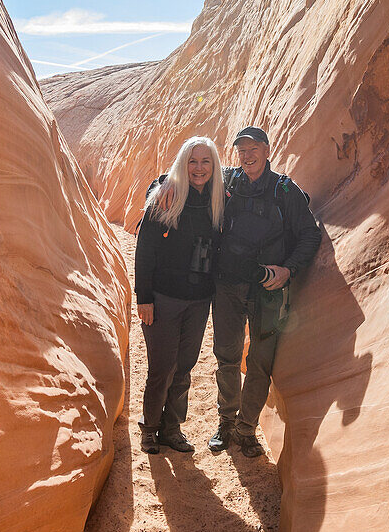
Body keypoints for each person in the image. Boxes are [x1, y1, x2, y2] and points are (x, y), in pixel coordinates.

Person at [152, 126, 322, 458]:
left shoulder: (284, 190)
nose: (247, 156)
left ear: (267, 150)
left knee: (259, 361)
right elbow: (189, 175)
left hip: (267, 291)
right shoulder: (227, 181)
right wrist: (163, 184)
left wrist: (288, 269)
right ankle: (226, 424)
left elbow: (309, 235)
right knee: (227, 357)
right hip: (227, 286)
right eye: (241, 150)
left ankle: (246, 429)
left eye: (253, 149)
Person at [134, 136, 224, 455]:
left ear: (214, 166)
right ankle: (150, 428)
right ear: (183, 164)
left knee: (184, 365)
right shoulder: (167, 195)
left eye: (205, 162)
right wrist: (143, 297)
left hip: (199, 300)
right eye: (193, 161)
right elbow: (145, 248)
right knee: (162, 366)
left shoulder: (217, 198)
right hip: (163, 297)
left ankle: (172, 428)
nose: (199, 168)